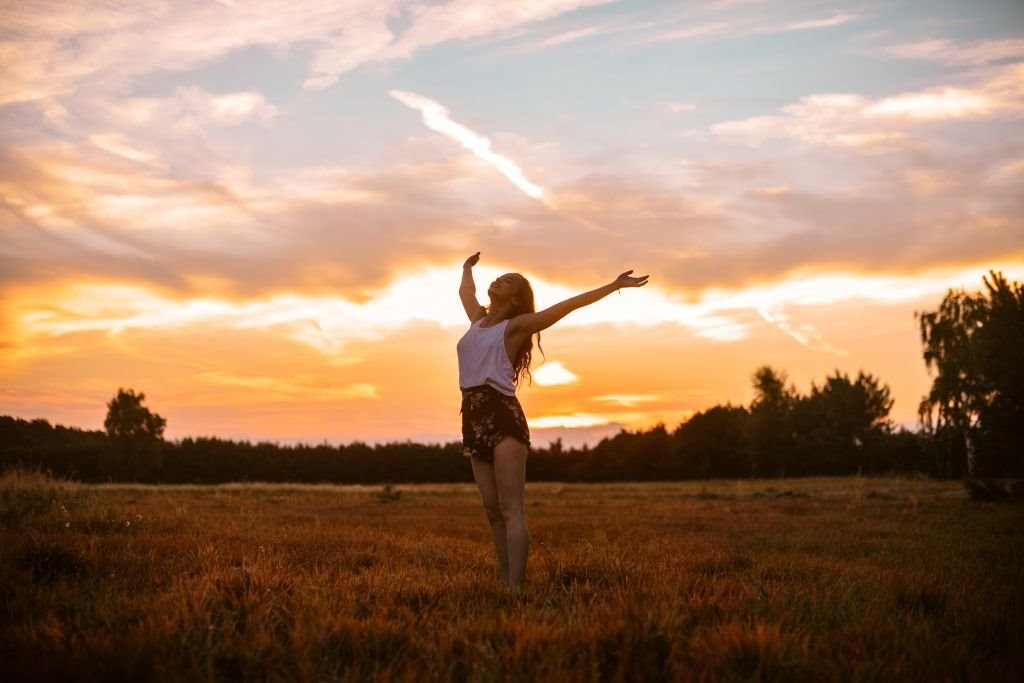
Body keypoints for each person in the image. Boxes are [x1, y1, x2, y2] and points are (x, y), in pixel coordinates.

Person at [456, 251, 649, 592]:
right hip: (472, 415)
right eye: (501, 276)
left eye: (510, 280)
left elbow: (567, 306)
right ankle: (506, 583)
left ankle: (517, 589)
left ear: (515, 298)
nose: (500, 279)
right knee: (491, 510)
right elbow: (465, 294)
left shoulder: (515, 326)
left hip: (503, 416)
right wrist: (466, 269)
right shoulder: (476, 321)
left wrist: (614, 286)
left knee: (511, 508)